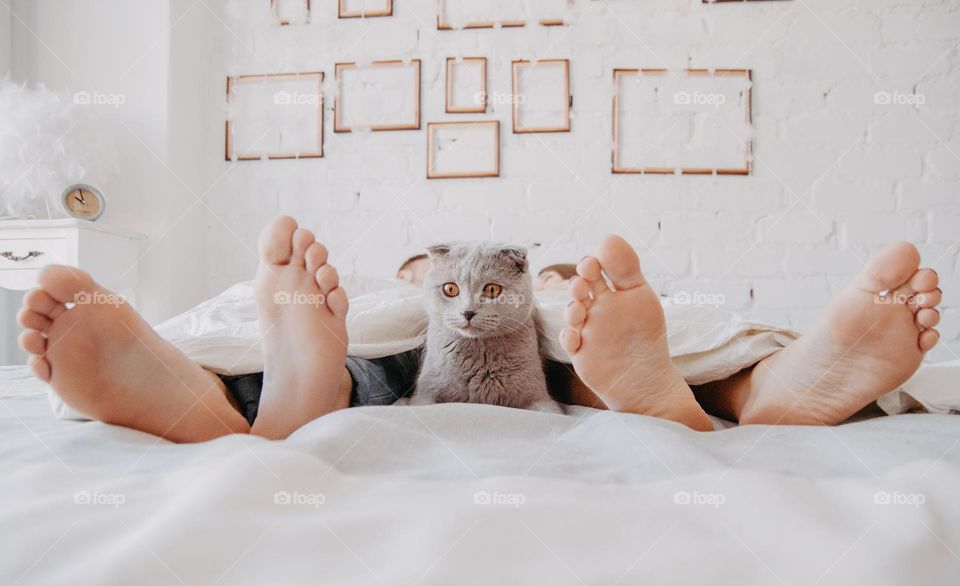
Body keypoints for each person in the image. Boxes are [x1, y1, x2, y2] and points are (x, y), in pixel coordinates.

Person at [16, 216, 943, 441]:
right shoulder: (390, 292)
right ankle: (284, 382)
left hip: (569, 341)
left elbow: (550, 294)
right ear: (417, 274)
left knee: (593, 341)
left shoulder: (563, 293)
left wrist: (564, 296)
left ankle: (763, 385)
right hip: (381, 335)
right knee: (379, 343)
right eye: (431, 278)